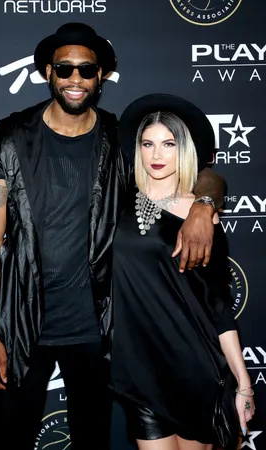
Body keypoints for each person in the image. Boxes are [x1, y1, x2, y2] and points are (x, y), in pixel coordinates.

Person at [0, 23, 226, 450]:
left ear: (101, 76)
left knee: (94, 441)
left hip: (101, 332)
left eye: (86, 70)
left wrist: (203, 204)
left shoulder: (122, 140)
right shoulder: (10, 138)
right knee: (8, 440)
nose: (75, 80)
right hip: (21, 327)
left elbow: (205, 172)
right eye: (65, 69)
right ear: (48, 73)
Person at [109, 93, 255, 450]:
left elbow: (218, 306)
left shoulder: (203, 214)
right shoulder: (117, 200)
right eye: (148, 144)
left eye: (168, 144)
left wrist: (243, 381)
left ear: (183, 149)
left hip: (196, 367)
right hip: (141, 369)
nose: (157, 155)